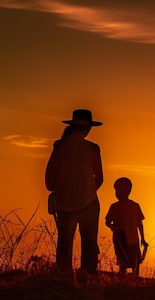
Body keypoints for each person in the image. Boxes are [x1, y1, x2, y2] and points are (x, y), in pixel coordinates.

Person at [45, 109, 103, 279]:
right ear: (87, 128)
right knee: (89, 243)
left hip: (64, 202)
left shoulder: (59, 146)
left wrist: (62, 190)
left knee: (64, 242)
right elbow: (99, 178)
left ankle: (63, 277)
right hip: (89, 202)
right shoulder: (92, 148)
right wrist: (87, 191)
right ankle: (88, 277)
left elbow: (49, 179)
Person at [105, 177, 148, 278]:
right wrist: (113, 227)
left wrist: (143, 239)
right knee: (122, 262)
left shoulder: (135, 206)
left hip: (133, 239)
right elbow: (107, 222)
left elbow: (139, 223)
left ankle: (135, 280)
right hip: (120, 238)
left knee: (135, 263)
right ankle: (122, 281)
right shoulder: (114, 206)